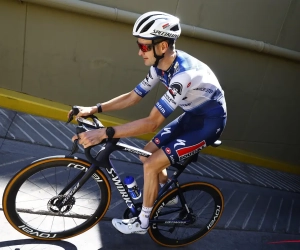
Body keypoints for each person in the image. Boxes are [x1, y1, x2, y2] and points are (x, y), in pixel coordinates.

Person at [70, 11, 227, 234]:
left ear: (162, 47)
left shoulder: (184, 75)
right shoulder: (159, 67)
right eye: (139, 45)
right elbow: (133, 97)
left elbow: (152, 122)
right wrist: (95, 108)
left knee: (152, 163)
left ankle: (142, 223)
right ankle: (166, 196)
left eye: (144, 47)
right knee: (145, 154)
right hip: (191, 116)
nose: (139, 52)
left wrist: (105, 133)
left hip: (208, 125)